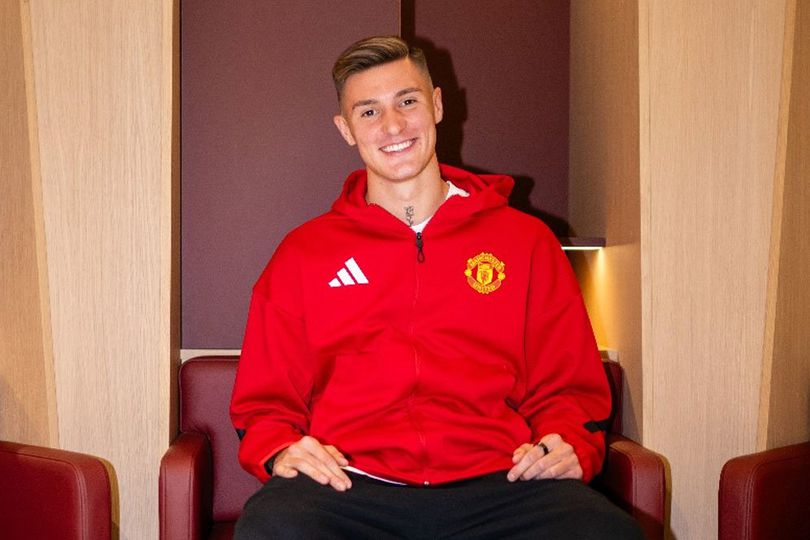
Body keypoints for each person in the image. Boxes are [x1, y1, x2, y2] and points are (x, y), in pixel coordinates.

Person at [230, 36, 643, 539]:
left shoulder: (526, 241)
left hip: (502, 480)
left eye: (407, 101)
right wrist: (279, 448)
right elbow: (264, 403)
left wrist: (568, 442)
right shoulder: (303, 254)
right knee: (271, 528)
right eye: (369, 112)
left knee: (605, 532)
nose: (393, 126)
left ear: (438, 105)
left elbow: (569, 387)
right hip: (349, 484)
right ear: (345, 129)